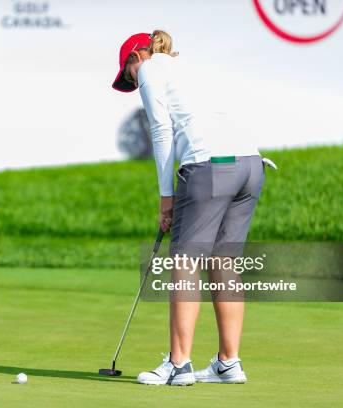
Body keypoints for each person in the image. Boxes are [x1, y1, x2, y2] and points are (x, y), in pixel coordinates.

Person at [111, 30, 265, 386]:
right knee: (223, 263)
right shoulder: (188, 68)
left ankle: (178, 365)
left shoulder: (149, 69)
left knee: (184, 263)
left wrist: (166, 197)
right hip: (250, 165)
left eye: (128, 74)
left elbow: (161, 132)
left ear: (137, 57)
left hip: (210, 167)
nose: (134, 82)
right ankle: (229, 362)